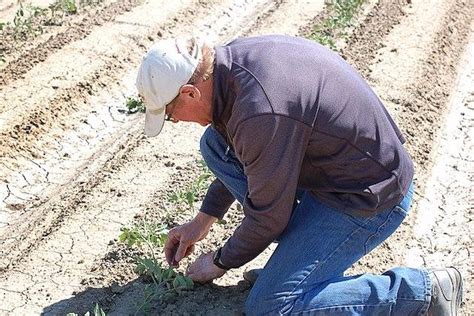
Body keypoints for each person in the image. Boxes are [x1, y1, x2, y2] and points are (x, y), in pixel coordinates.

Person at [135, 35, 462, 315]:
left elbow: (268, 217)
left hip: (368, 195)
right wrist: (202, 220)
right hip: (335, 173)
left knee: (271, 306)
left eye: (171, 115)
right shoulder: (230, 67)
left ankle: (423, 291)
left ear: (191, 93)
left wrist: (220, 261)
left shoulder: (259, 111)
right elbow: (243, 153)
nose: (176, 121)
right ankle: (294, 266)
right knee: (215, 145)